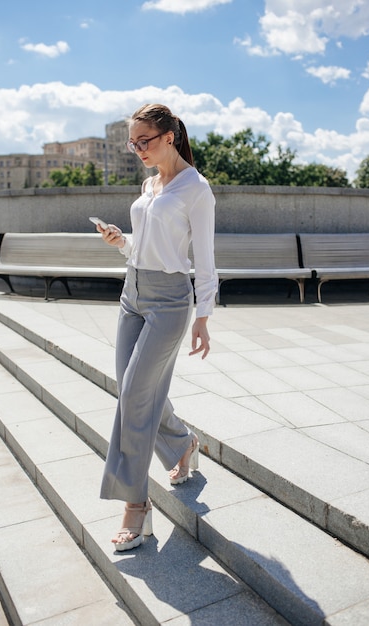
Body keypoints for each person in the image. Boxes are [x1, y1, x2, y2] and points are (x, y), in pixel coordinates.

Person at [96, 103, 217, 551]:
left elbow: (202, 260)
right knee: (136, 388)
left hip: (168, 301)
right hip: (132, 295)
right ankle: (183, 445)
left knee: (133, 394)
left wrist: (203, 315)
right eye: (133, 142)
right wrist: (120, 241)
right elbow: (142, 248)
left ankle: (135, 505)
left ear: (169, 137)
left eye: (143, 141)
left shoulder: (196, 189)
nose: (137, 149)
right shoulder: (150, 184)